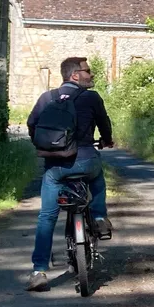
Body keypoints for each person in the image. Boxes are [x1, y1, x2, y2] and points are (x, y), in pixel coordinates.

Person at [25, 55, 114, 292]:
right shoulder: (91, 97)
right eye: (88, 71)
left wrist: (45, 145)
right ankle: (98, 217)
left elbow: (32, 124)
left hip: (56, 166)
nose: (91, 74)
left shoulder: (47, 98)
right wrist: (107, 140)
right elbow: (104, 124)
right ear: (75, 75)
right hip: (85, 159)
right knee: (97, 177)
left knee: (47, 217)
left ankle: (39, 271)